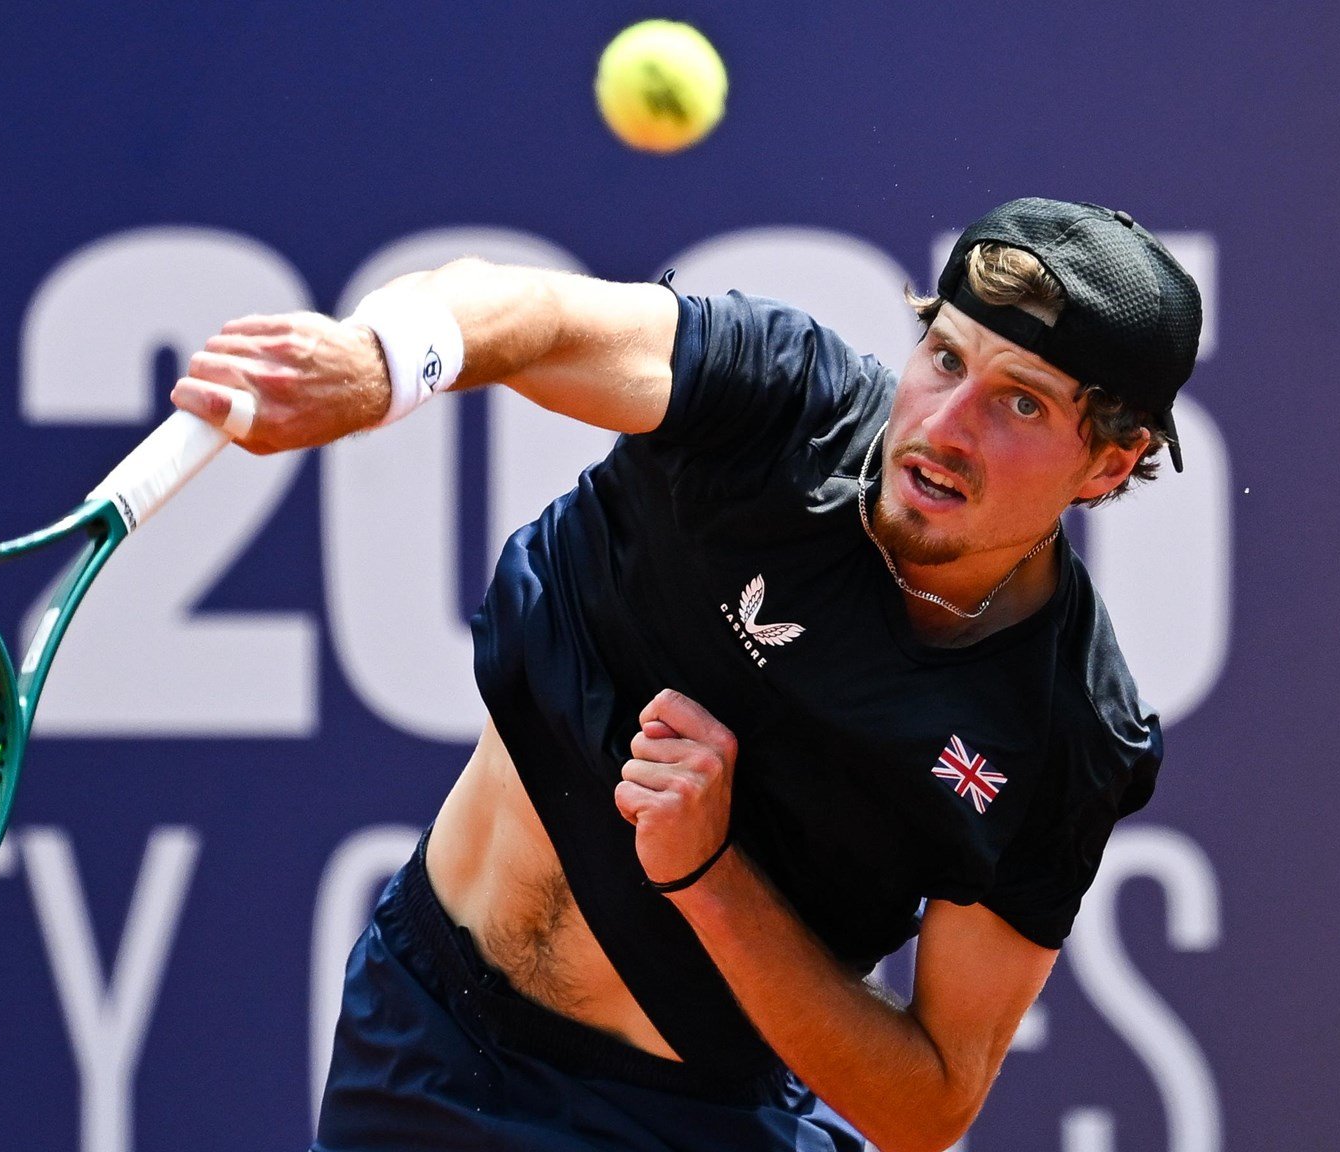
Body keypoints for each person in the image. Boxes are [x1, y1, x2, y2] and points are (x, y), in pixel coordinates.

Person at [171, 198, 1202, 1152]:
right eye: (942, 358)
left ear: (1110, 463)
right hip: (421, 1029)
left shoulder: (1064, 733)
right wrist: (378, 361)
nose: (942, 424)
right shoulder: (774, 406)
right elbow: (532, 315)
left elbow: (927, 1102)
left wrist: (708, 878)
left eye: (1017, 404)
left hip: (682, 1126)